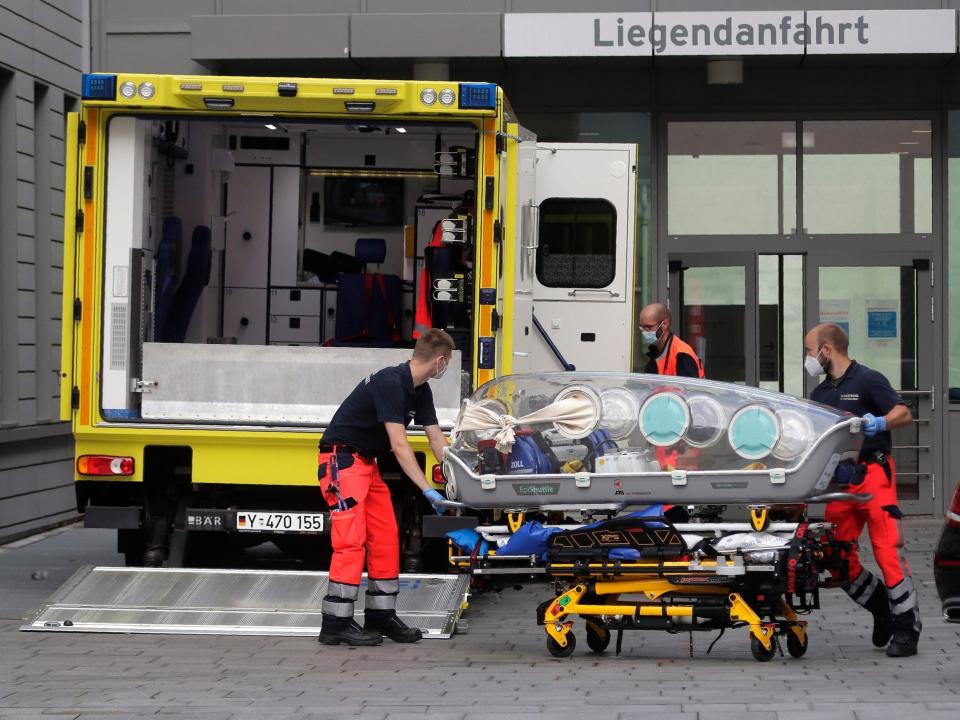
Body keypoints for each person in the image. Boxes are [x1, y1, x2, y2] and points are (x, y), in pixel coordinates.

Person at [316, 328, 453, 646]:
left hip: (366, 464)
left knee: (385, 537)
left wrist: (458, 476)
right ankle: (335, 623)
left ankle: (380, 615)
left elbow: (436, 439)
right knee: (351, 542)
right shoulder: (391, 383)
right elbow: (399, 445)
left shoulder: (420, 389)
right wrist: (426, 489)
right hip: (342, 461)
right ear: (441, 360)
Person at [804, 322, 921, 658]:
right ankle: (880, 605)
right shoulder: (821, 394)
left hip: (874, 475)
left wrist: (879, 422)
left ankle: (907, 626)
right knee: (835, 555)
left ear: (827, 349)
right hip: (842, 481)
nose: (809, 359)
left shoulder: (869, 379)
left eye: (810, 351)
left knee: (888, 553)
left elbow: (903, 413)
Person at [638, 303, 704, 378]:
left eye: (648, 327)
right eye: (642, 328)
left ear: (665, 324)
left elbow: (690, 388)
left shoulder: (681, 356)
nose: (644, 332)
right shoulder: (656, 352)